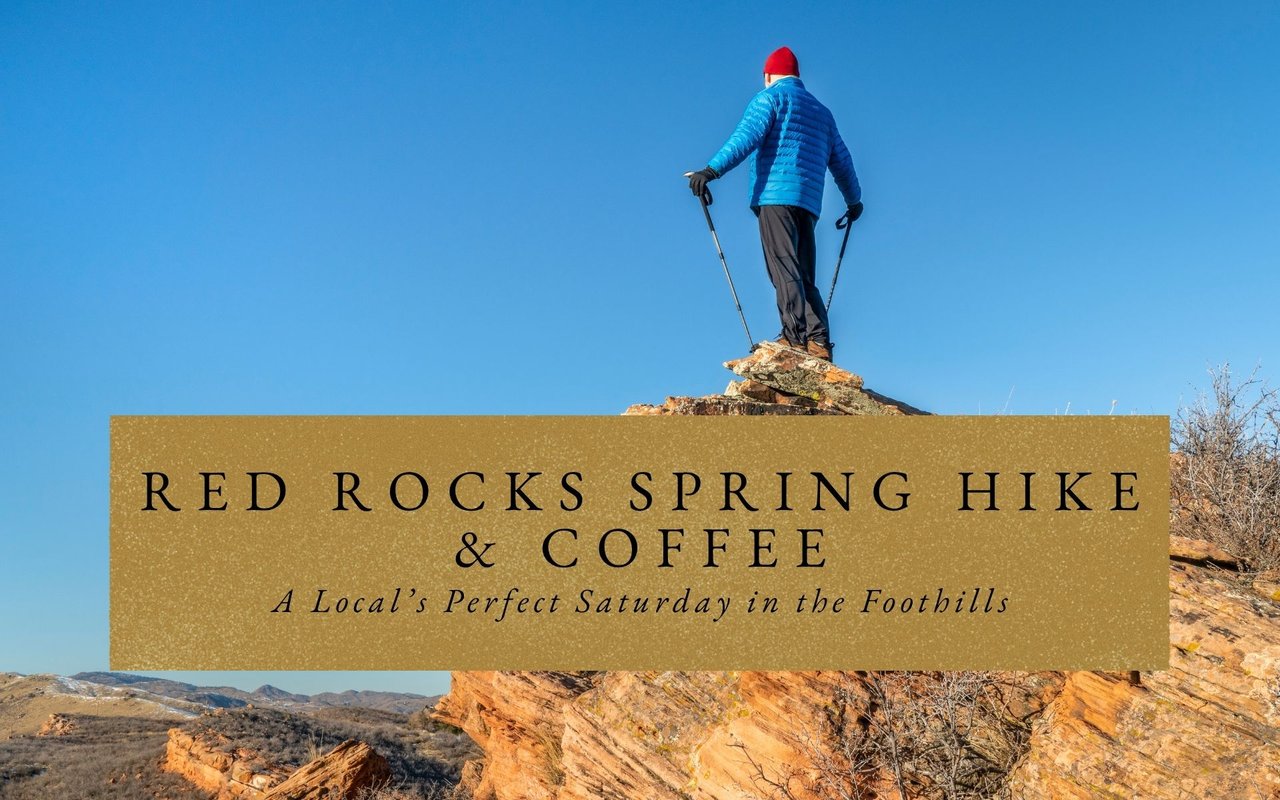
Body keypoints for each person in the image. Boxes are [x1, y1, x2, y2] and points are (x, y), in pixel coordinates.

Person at [688, 46, 863, 362]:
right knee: (803, 272)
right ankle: (819, 342)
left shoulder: (768, 99)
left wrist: (711, 171)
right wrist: (854, 200)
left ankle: (793, 338)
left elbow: (744, 139)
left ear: (768, 76)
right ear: (797, 76)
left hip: (774, 197)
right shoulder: (823, 113)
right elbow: (842, 161)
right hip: (808, 203)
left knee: (783, 268)